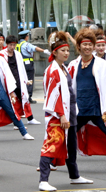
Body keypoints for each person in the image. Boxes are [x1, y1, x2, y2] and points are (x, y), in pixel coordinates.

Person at [39, 31, 93, 191]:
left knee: (71, 146)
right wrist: (61, 115)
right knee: (51, 146)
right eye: (63, 50)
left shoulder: (63, 68)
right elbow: (52, 96)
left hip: (69, 112)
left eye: (68, 50)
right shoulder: (53, 70)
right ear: (54, 52)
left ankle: (74, 175)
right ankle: (43, 180)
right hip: (58, 115)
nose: (66, 53)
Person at [0, 34, 34, 140]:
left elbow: (8, 75)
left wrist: (11, 92)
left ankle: (24, 132)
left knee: (12, 111)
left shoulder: (0, 59)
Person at [68, 28, 106, 157]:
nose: (87, 47)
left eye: (90, 44)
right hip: (80, 109)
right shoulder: (73, 65)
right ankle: (52, 160)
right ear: (79, 46)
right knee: (67, 135)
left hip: (98, 109)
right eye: (85, 44)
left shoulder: (101, 64)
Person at [0, 35, 41, 127]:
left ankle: (29, 118)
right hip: (8, 81)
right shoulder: (1, 54)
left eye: (14, 45)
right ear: (7, 44)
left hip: (18, 79)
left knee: (24, 98)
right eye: (10, 45)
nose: (12, 47)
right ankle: (17, 121)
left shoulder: (17, 54)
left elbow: (22, 68)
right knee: (13, 101)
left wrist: (26, 80)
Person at [16, 30, 50, 104]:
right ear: (26, 37)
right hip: (28, 64)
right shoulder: (26, 44)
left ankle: (22, 96)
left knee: (22, 80)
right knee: (30, 79)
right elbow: (34, 48)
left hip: (20, 64)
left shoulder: (17, 44)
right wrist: (44, 51)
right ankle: (28, 96)